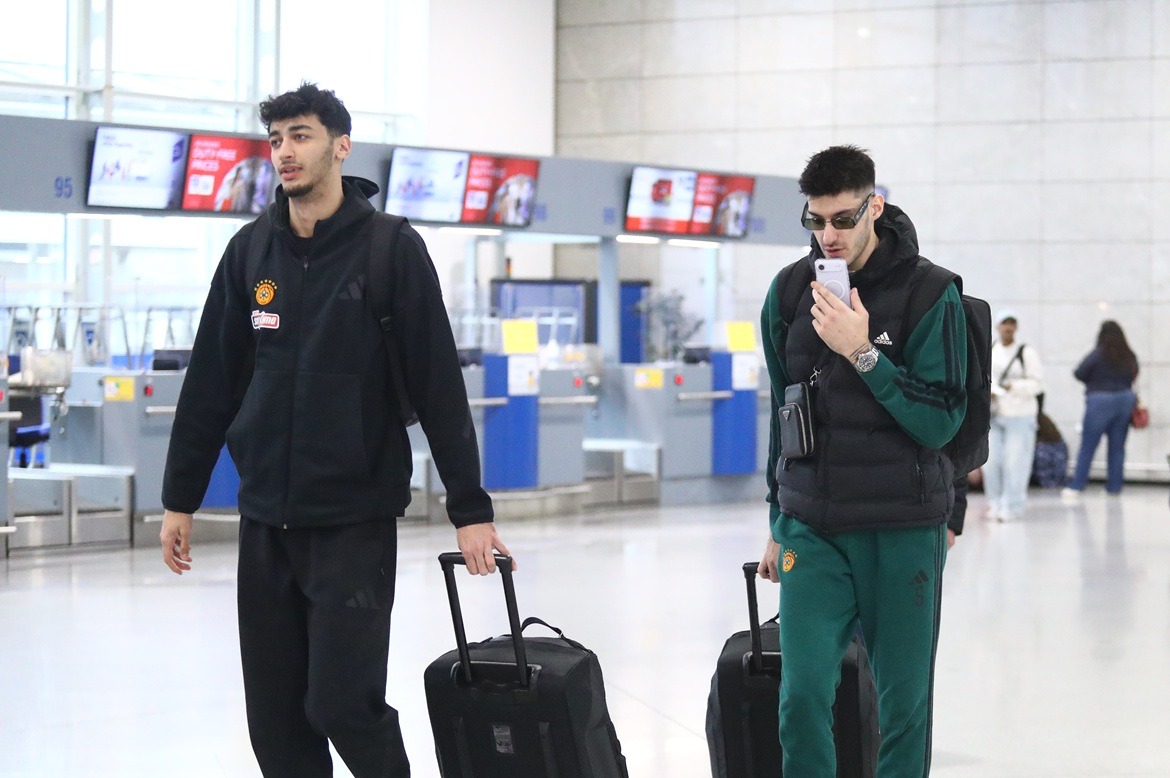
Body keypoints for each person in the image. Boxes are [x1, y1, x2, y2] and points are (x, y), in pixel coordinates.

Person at [159, 83, 512, 778]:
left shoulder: (390, 250)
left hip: (354, 521)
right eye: (276, 140)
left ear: (341, 146)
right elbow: (211, 383)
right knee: (276, 723)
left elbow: (438, 385)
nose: (285, 152)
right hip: (267, 521)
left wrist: (470, 511)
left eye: (301, 135)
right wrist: (180, 498)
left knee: (343, 705)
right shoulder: (249, 252)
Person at [758, 145, 967, 775]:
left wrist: (863, 352)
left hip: (900, 528)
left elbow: (940, 420)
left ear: (874, 206)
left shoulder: (930, 293)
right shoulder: (789, 292)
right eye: (816, 220)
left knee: (904, 707)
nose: (829, 235)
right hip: (812, 527)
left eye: (844, 219)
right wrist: (776, 517)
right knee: (800, 697)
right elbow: (783, 411)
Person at [1062, 320, 1139, 499]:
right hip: (1124, 400)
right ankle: (1114, 487)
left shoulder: (1098, 354)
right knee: (1117, 447)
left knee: (1088, 445)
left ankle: (1077, 485)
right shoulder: (1129, 355)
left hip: (1100, 400)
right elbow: (1134, 374)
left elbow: (1079, 372)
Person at [984, 312, 1044, 521]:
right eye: (1004, 323)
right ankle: (994, 503)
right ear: (998, 326)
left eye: (1012, 323)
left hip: (1020, 415)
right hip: (994, 414)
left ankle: (1013, 505)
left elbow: (1038, 384)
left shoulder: (1026, 353)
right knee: (991, 462)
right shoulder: (991, 350)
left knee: (1015, 462)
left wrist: (1014, 386)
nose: (1008, 327)